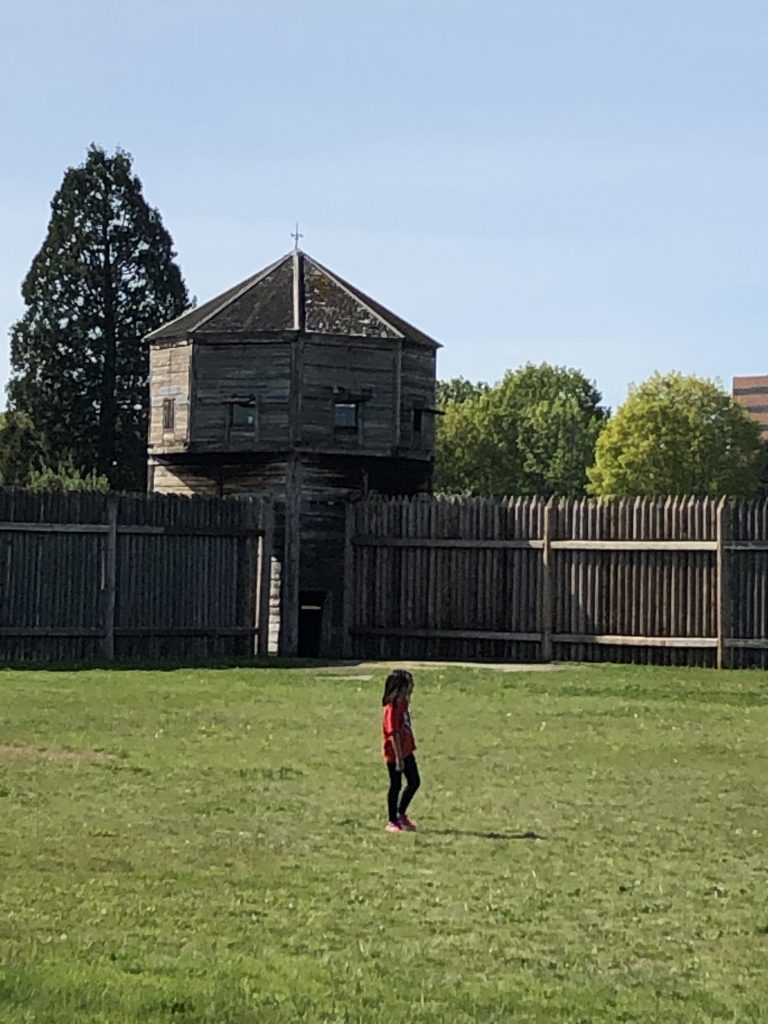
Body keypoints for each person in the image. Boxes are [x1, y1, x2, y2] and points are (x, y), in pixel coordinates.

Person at [381, 668, 420, 832]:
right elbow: (393, 733)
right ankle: (392, 820)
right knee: (395, 785)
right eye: (408, 685)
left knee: (414, 782)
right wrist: (398, 758)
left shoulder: (403, 703)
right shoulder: (391, 709)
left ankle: (401, 813)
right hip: (395, 754)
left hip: (406, 750)